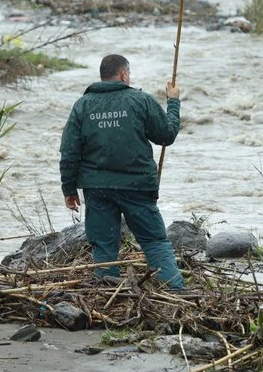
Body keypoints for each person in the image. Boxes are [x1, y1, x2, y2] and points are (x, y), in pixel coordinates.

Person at [59, 54, 184, 289]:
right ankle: (175, 291)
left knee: (104, 246)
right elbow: (167, 136)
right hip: (137, 187)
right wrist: (174, 102)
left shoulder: (82, 106)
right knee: (154, 241)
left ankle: (107, 295)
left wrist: (69, 189)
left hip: (97, 189)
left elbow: (69, 152)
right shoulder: (141, 101)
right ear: (124, 74)